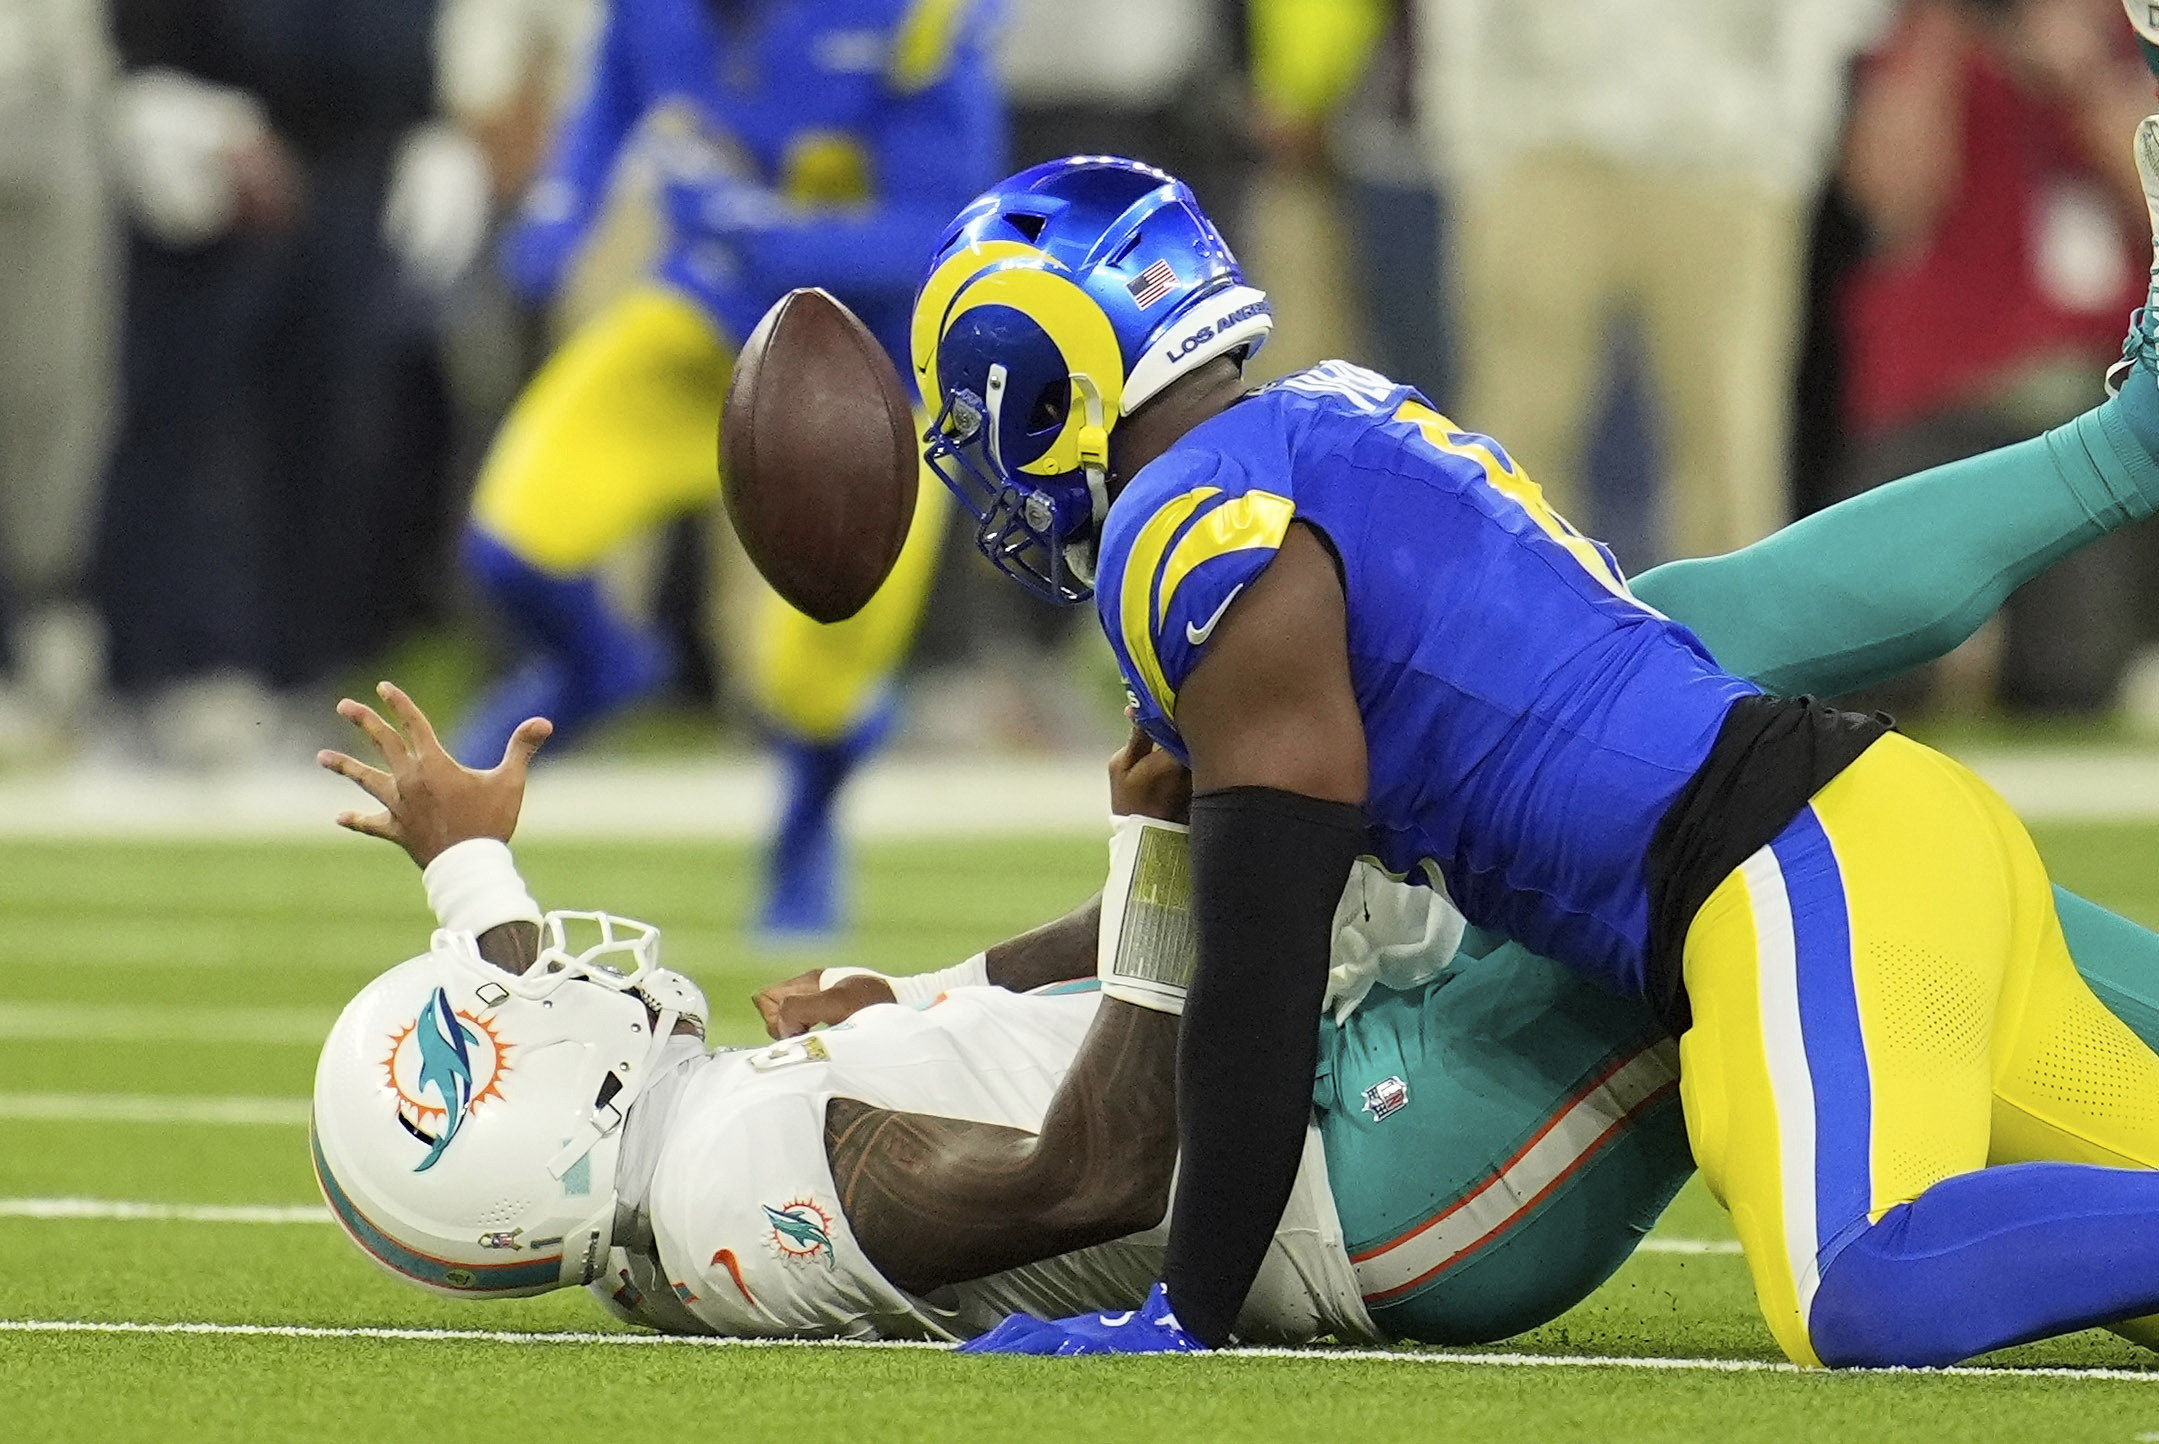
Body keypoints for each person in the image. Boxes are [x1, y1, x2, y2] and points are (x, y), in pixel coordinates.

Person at [313, 356, 2159, 1343]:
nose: (557, 966)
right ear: (517, 1112)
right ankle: (2121, 441)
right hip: (1378, 1182)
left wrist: (462, 873)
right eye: (520, 992)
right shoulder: (724, 1196)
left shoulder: (680, 1139)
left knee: (1673, 711)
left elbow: (528, 1073)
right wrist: (1161, 854)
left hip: (1351, 1103)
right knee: (1703, 785)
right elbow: (1094, 1165)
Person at [908, 140, 2159, 1368]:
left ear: (1042, 372)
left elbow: (1262, 955)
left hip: (1784, 870)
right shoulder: (1321, 419)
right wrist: (951, 983)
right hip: (1876, 838)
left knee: (1863, 1288)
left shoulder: (1190, 524)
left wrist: (1189, 1306)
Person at [453, 0, 1002, 936]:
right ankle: (599, 671)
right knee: (513, 539)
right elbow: (611, 104)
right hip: (706, 324)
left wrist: (775, 234)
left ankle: (805, 823)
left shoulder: (909, 21)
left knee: (811, 685)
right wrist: (560, 210)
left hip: (859, 376)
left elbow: (949, 231)